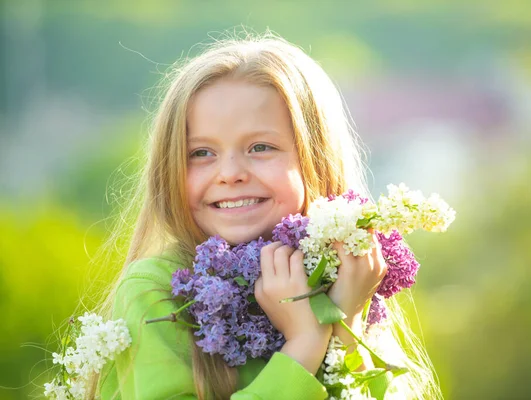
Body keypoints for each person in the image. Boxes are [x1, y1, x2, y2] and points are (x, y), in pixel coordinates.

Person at [91, 33, 441, 399]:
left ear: (316, 162)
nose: (230, 173)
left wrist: (345, 321)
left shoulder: (342, 273)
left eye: (260, 147)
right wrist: (305, 345)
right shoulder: (157, 290)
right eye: (201, 153)